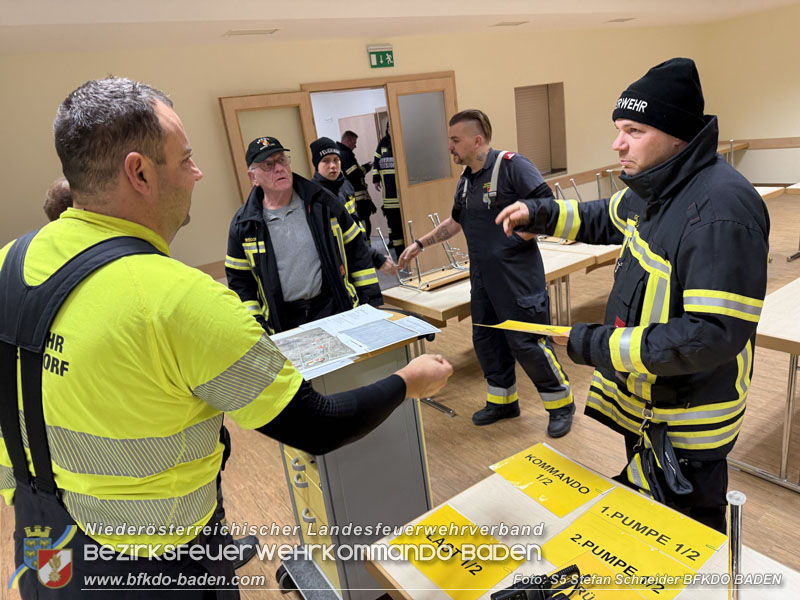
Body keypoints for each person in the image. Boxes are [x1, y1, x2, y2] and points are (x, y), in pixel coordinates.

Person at [0, 76, 453, 598]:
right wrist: (409, 381)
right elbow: (317, 426)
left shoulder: (11, 263)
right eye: (186, 158)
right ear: (139, 172)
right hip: (159, 567)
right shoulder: (179, 299)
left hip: (44, 547)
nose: (198, 172)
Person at [496, 58, 769, 533]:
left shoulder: (721, 211)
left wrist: (594, 345)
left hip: (689, 421)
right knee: (649, 525)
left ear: (677, 134)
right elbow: (607, 216)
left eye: (634, 130)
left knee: (688, 539)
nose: (617, 142)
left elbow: (710, 336)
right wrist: (538, 213)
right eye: (619, 128)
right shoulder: (661, 184)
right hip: (651, 402)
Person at [399, 109, 575, 438]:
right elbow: (455, 221)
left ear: (476, 140)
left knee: (528, 343)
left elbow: (548, 208)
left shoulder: (512, 166)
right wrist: (421, 243)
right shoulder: (467, 181)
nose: (449, 147)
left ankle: (560, 404)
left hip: (518, 280)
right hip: (483, 280)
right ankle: (503, 402)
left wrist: (516, 240)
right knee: (487, 342)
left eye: (455, 140)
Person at [226, 136, 382, 334]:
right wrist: (255, 326)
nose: (279, 168)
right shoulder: (244, 225)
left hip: (333, 309)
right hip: (283, 321)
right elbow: (240, 282)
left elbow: (357, 252)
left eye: (282, 160)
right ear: (253, 177)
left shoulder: (323, 204)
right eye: (268, 165)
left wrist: (371, 305)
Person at [310, 137, 398, 275]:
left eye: (336, 160)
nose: (332, 165)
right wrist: (374, 257)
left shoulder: (345, 186)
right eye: (326, 161)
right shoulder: (315, 196)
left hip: (360, 256)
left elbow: (354, 226)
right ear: (316, 164)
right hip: (342, 265)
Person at [373, 124, 405, 257]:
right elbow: (376, 162)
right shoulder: (383, 144)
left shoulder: (402, 141)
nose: (391, 131)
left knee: (401, 227)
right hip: (391, 197)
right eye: (389, 128)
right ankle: (400, 254)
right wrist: (376, 178)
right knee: (396, 227)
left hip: (400, 196)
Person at [338, 130, 378, 238]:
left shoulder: (343, 153)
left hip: (356, 198)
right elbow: (354, 175)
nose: (355, 146)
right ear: (348, 140)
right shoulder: (346, 155)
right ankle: (367, 249)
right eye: (354, 142)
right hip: (358, 199)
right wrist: (367, 167)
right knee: (363, 224)